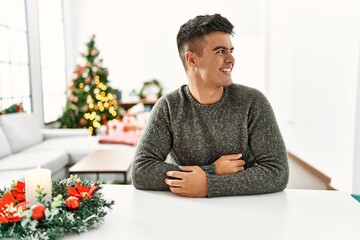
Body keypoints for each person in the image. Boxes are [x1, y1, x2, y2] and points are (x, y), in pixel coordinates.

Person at [131, 14, 289, 198]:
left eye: (231, 50)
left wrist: (209, 185)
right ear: (192, 60)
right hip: (186, 212)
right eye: (220, 51)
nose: (231, 59)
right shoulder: (169, 107)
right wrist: (212, 170)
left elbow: (277, 172)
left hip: (245, 212)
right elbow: (141, 171)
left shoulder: (253, 102)